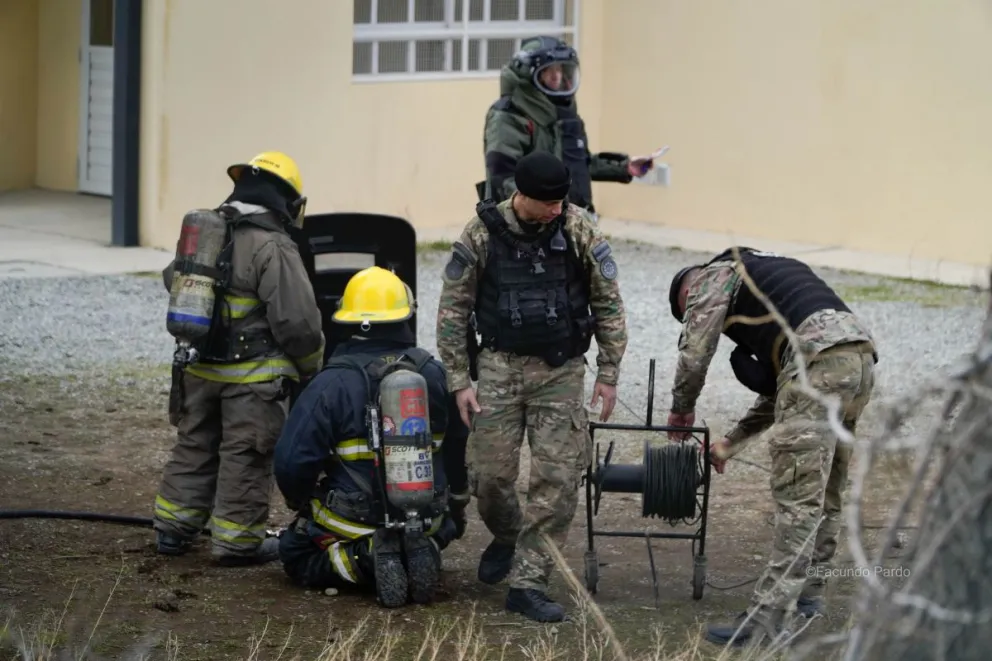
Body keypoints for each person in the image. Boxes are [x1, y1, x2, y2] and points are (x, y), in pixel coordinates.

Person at [437, 150, 629, 623]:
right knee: (489, 479)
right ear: (521, 195)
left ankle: (528, 582)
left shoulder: (578, 228)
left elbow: (608, 303)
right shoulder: (482, 232)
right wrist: (459, 380)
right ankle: (510, 536)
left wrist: (608, 373)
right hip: (499, 368)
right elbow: (453, 309)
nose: (557, 210)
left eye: (562, 202)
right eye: (549, 203)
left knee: (557, 480)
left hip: (561, 372)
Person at [665, 247, 878, 647]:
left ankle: (768, 617)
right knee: (827, 488)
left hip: (817, 363)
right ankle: (809, 595)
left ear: (688, 291)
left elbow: (695, 353)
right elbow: (786, 391)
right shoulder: (766, 277)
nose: (694, 312)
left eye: (687, 308)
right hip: (858, 358)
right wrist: (732, 442)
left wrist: (681, 410)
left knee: (798, 498)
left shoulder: (712, 277)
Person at [153, 151, 326, 566]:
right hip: (253, 379)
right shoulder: (273, 245)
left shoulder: (211, 231)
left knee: (195, 443)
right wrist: (311, 370)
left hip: (199, 368)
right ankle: (236, 542)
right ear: (287, 201)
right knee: (245, 454)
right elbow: (298, 323)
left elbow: (172, 277)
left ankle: (173, 529)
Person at [273, 266, 466, 607]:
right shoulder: (434, 374)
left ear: (347, 320)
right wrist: (456, 505)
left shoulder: (330, 384)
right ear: (405, 315)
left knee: (295, 550)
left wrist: (299, 500)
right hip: (425, 517)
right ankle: (426, 547)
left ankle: (366, 557)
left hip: (354, 522)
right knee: (446, 525)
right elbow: (459, 449)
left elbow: (291, 463)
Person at [477, 35, 655, 217]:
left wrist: (624, 167)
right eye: (548, 70)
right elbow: (503, 179)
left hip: (576, 218)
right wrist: (547, 212)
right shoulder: (510, 116)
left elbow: (578, 163)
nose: (556, 76)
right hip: (535, 223)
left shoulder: (564, 113)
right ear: (528, 74)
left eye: (560, 69)